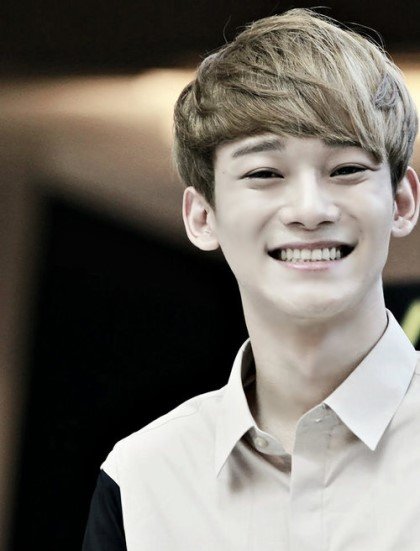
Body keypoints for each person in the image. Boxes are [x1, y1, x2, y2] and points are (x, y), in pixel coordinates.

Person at [82, 8, 420, 550]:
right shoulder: (142, 481)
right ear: (202, 216)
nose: (309, 210)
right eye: (264, 173)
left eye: (347, 169)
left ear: (402, 202)